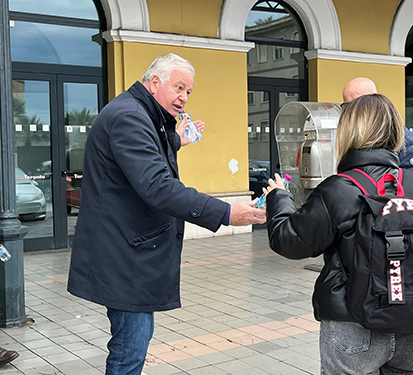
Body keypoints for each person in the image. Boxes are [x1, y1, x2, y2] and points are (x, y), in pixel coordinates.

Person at [67, 53, 265, 375]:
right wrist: (226, 212)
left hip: (127, 251)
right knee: (129, 349)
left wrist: (175, 141)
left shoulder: (139, 113)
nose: (184, 98)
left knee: (133, 342)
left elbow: (139, 157)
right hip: (123, 256)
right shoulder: (130, 117)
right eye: (179, 87)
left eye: (189, 91)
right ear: (155, 82)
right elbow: (157, 185)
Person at [264, 94, 413, 374]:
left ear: (347, 130)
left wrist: (279, 198)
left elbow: (290, 241)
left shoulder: (338, 189)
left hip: (354, 325)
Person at [342, 77, 413, 180]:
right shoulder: (349, 136)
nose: (353, 111)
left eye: (359, 103)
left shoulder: (403, 139)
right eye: (347, 106)